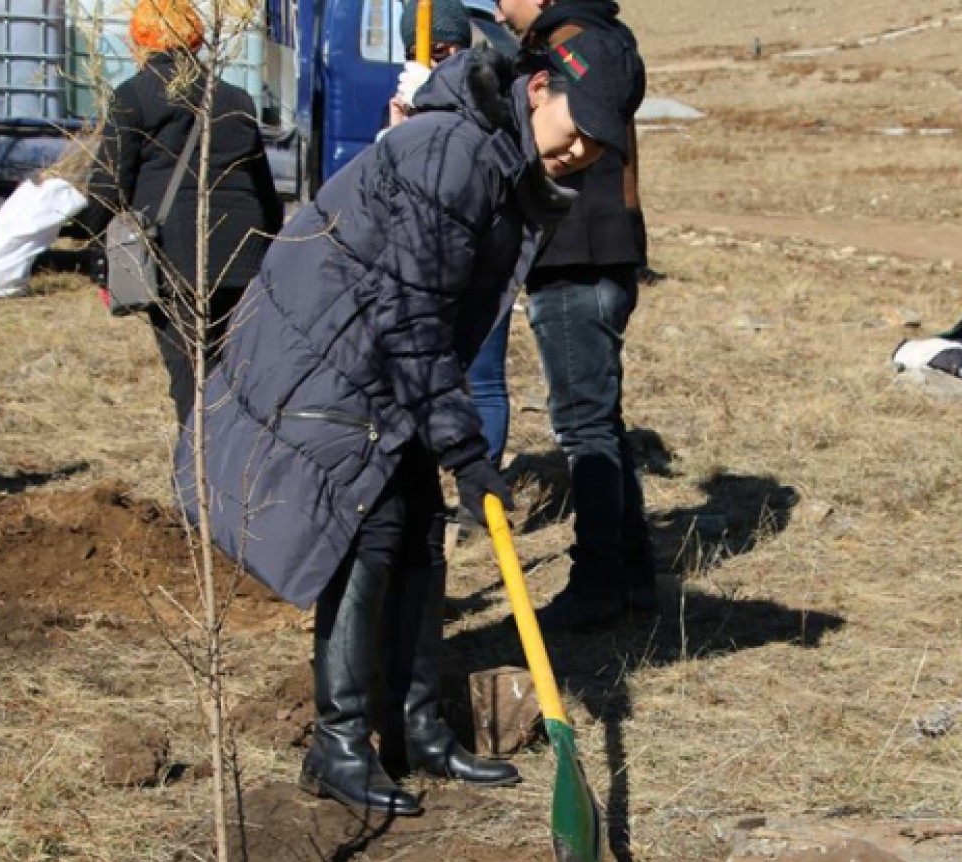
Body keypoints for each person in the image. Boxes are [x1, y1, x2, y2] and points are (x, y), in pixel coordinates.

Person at [186, 43, 635, 816]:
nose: (580, 150)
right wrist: (463, 443)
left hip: (379, 354)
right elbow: (412, 308)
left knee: (421, 525)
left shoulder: (497, 153)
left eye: (600, 140)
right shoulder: (454, 151)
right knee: (370, 531)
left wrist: (450, 438)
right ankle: (339, 744)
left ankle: (417, 727)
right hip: (332, 353)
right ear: (537, 90)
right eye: (575, 126)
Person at [496, 0, 654, 631]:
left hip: (575, 256)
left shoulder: (571, 46)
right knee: (601, 423)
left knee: (583, 429)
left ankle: (595, 585)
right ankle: (633, 576)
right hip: (602, 252)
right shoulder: (602, 37)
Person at [78, 0, 282, 429]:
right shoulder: (236, 99)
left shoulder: (134, 96)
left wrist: (91, 241)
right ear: (196, 40)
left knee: (190, 378)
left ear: (141, 41)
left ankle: (198, 478)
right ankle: (237, 470)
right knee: (233, 375)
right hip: (243, 261)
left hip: (176, 263)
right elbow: (266, 194)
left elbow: (108, 185)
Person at [389, 0, 512, 467]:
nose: (431, 63)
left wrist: (439, 98)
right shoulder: (410, 98)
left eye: (443, 52)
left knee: (482, 380)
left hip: (480, 255)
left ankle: (483, 498)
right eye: (418, 55)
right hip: (425, 258)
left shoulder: (490, 87)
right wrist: (399, 131)